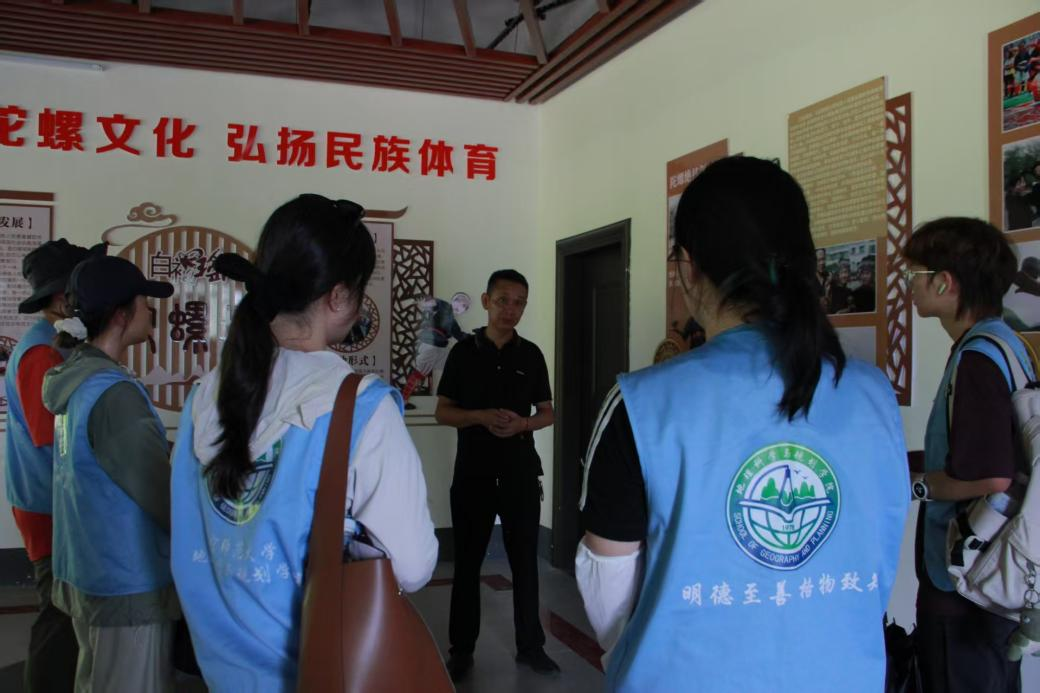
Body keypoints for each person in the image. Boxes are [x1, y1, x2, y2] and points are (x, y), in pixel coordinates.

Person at [575, 156, 909, 692]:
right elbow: (878, 548)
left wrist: (627, 654)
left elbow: (607, 582)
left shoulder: (642, 402)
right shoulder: (874, 395)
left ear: (688, 266)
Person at [169, 194, 438, 692]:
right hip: (314, 674)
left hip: (219, 673)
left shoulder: (204, 397)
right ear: (339, 296)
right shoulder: (361, 407)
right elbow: (414, 566)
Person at [903, 217, 1033, 693]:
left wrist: (914, 486)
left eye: (913, 274)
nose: (909, 286)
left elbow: (989, 476)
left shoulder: (977, 357)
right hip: (995, 573)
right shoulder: (1006, 342)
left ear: (944, 282)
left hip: (965, 582)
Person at [42, 254, 178, 692]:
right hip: (126, 579)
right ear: (121, 314)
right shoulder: (114, 393)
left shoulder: (77, 380)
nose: (150, 311)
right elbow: (158, 493)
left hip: (89, 567)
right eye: (143, 302)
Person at [435, 269, 558, 681]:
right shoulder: (463, 354)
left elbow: (547, 413)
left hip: (520, 473)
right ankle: (461, 650)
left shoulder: (531, 355)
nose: (511, 310)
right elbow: (443, 412)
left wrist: (524, 424)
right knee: (468, 563)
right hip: (473, 473)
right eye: (503, 300)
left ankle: (532, 647)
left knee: (525, 562)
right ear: (487, 301)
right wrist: (479, 417)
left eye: (519, 303)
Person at [5, 239, 97, 691]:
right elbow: (51, 436)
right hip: (46, 503)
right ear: (63, 299)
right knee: (59, 612)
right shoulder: (42, 353)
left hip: (47, 498)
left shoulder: (53, 345)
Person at [400, 291, 471, 405]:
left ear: (465, 310)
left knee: (455, 363)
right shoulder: (445, 306)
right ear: (453, 300)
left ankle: (456, 399)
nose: (460, 305)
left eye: (464, 306)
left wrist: (475, 338)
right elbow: (433, 302)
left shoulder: (453, 323)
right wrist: (423, 302)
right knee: (419, 373)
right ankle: (403, 400)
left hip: (440, 347)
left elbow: (460, 336)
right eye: (458, 300)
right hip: (430, 344)